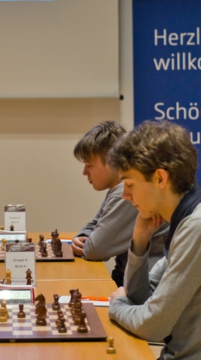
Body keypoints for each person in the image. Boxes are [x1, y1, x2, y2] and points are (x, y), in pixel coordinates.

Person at [108, 120, 201, 360]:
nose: (124, 195)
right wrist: (140, 240)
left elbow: (153, 325)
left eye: (130, 184)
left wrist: (117, 305)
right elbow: (141, 299)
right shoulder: (186, 220)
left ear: (160, 178)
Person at [71, 121, 166, 286]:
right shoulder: (118, 188)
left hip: (146, 285)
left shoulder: (126, 191)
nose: (84, 172)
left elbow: (96, 249)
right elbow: (94, 224)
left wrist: (84, 243)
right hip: (131, 278)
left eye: (89, 165)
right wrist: (81, 237)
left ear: (111, 161)